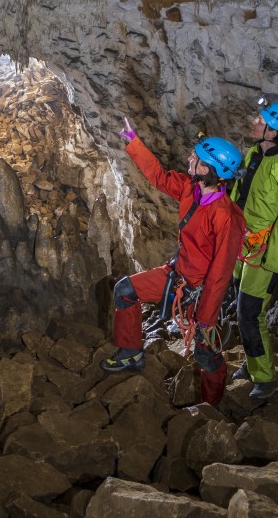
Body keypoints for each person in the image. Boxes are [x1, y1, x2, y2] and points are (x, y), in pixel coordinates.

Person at [101, 117, 246, 406]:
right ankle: (131, 354)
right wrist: (133, 140)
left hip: (201, 291)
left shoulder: (226, 216)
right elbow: (159, 176)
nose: (190, 158)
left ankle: (211, 408)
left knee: (205, 354)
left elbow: (220, 273)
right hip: (176, 276)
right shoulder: (189, 189)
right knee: (125, 291)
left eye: (196, 157)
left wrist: (205, 318)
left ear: (208, 169)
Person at [229, 98, 278, 399]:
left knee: (250, 313)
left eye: (261, 122)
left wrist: (272, 261)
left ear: (274, 133)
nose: (254, 123)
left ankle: (266, 377)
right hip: (241, 243)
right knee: (240, 305)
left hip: (263, 252)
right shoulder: (253, 154)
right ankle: (251, 365)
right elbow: (240, 193)